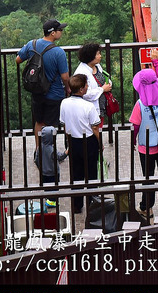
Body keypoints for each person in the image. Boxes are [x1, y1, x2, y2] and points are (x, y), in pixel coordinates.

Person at [130, 52, 158, 219]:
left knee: (148, 178)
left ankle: (146, 207)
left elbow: (135, 125)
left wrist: (134, 139)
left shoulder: (140, 104)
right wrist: (155, 63)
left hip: (147, 147)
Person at [15, 19, 71, 153]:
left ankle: (39, 151)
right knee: (51, 125)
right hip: (54, 93)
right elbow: (65, 77)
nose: (61, 32)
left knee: (39, 122)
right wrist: (68, 89)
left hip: (37, 91)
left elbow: (18, 60)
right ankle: (49, 154)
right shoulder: (58, 52)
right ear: (52, 33)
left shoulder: (31, 44)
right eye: (60, 30)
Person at [59, 73, 102, 214]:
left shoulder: (64, 103)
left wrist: (68, 139)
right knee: (91, 174)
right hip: (88, 141)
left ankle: (77, 205)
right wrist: (99, 142)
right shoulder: (88, 106)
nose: (88, 87)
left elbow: (64, 124)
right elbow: (95, 127)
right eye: (86, 85)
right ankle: (92, 204)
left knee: (76, 174)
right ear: (82, 89)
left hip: (73, 140)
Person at [72, 42, 112, 123]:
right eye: (98, 54)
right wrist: (102, 89)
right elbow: (84, 93)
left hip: (100, 107)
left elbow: (103, 78)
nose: (100, 56)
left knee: (99, 128)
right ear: (90, 56)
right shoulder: (81, 72)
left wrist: (108, 83)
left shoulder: (97, 66)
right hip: (89, 110)